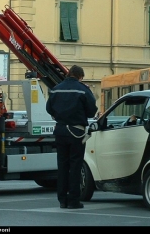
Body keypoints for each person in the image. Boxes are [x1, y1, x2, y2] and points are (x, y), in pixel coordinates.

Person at [46, 65, 98, 209]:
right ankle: (73, 200)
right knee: (75, 166)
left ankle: (62, 200)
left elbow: (49, 108)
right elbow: (92, 110)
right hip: (76, 132)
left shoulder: (56, 88)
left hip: (60, 131)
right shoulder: (83, 89)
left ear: (69, 74)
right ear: (80, 76)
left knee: (62, 166)